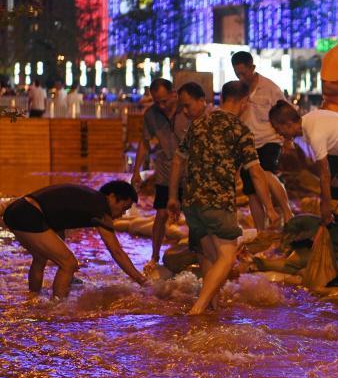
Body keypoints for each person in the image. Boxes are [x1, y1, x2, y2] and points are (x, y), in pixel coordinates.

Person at [168, 80, 278, 316]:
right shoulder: (240, 130)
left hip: (192, 203)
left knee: (209, 256)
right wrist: (269, 207)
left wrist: (172, 198)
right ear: (244, 102)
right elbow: (256, 172)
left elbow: (177, 160)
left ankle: (212, 307)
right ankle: (197, 310)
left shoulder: (198, 125)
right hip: (218, 202)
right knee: (227, 258)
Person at [269, 101, 338, 284]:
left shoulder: (314, 133)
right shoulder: (308, 124)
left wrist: (325, 204)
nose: (278, 133)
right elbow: (331, 167)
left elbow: (324, 174)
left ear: (288, 124)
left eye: (278, 128)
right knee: (335, 204)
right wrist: (329, 199)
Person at [2, 180, 147, 299]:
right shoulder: (100, 207)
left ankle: (32, 298)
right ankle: (57, 309)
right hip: (29, 214)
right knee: (69, 263)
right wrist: (143, 281)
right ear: (112, 197)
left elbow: (56, 224)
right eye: (123, 207)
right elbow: (116, 251)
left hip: (17, 210)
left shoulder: (88, 199)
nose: (122, 214)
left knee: (40, 258)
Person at [130, 78, 189, 267]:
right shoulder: (151, 114)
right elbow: (145, 142)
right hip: (166, 170)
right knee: (161, 213)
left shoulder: (187, 109)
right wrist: (136, 171)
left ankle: (198, 253)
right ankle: (154, 257)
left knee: (194, 213)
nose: (162, 105)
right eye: (157, 102)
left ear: (174, 94)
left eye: (165, 100)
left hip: (190, 171)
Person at [231, 51, 293, 230]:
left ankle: (287, 212)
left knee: (266, 173)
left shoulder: (270, 88)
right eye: (237, 74)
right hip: (246, 145)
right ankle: (261, 233)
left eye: (244, 73)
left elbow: (286, 112)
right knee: (251, 192)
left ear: (252, 68)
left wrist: (287, 139)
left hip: (269, 140)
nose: (241, 77)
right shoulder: (237, 91)